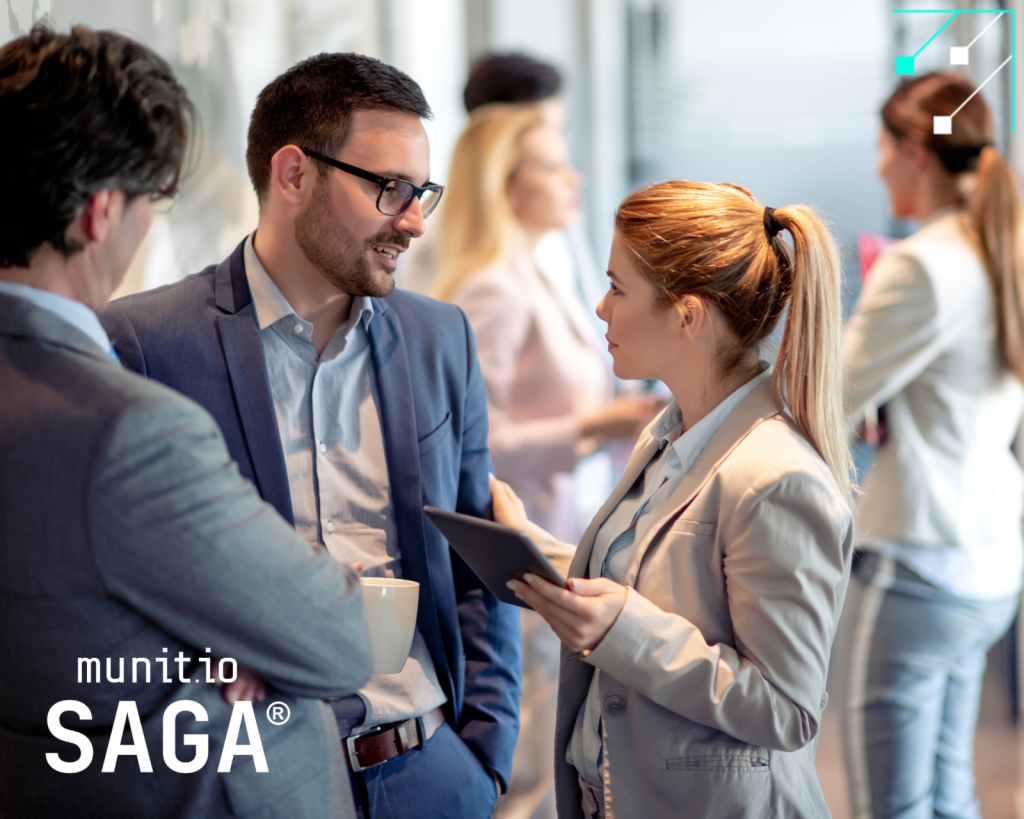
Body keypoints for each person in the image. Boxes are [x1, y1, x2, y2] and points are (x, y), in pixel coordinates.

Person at [100, 52, 521, 819]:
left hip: (429, 771)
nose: (416, 220)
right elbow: (118, 586)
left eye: (421, 191)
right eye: (389, 188)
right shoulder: (145, 344)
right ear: (293, 175)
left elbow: (475, 562)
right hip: (246, 783)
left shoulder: (440, 338)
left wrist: (486, 757)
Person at [0, 25, 372, 819]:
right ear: (102, 213)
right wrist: (227, 637)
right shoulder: (128, 430)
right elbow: (336, 638)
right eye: (151, 202)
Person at [491, 180, 855, 818]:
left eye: (618, 288)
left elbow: (786, 708)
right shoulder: (670, 434)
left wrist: (623, 633)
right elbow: (645, 582)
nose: (601, 309)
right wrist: (528, 546)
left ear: (687, 315)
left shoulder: (777, 478)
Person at [432, 105, 656, 819]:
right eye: (554, 165)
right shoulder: (493, 286)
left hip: (563, 532)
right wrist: (594, 424)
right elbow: (471, 437)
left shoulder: (541, 271)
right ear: (509, 185)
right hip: (522, 545)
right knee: (531, 760)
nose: (574, 177)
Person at [841, 72, 1024, 819]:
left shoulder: (920, 264)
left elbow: (826, 398)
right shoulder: (996, 248)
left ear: (917, 150)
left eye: (883, 148)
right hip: (987, 562)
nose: (878, 165)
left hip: (917, 562)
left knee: (894, 805)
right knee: (950, 795)